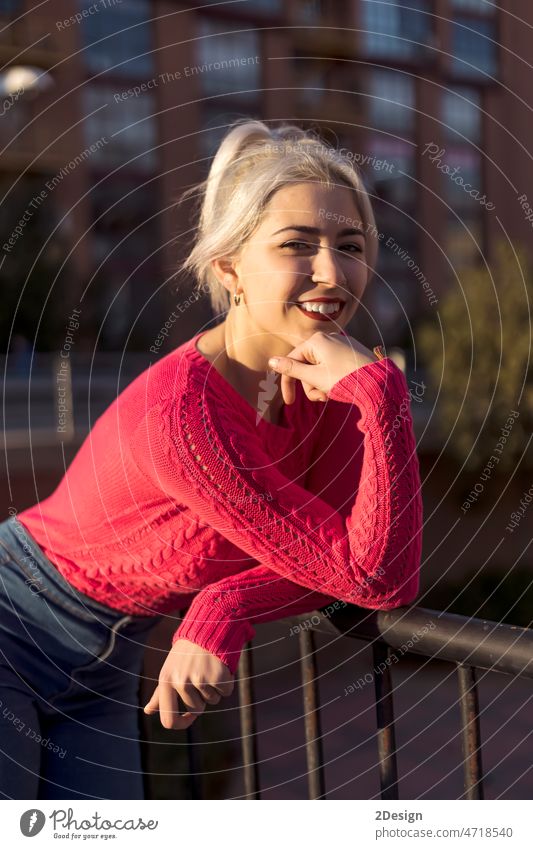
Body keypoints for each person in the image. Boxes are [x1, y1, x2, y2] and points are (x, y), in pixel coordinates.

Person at [0, 119, 423, 800]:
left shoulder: (328, 381)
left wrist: (225, 602)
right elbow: (371, 574)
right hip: (13, 623)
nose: (332, 270)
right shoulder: (186, 415)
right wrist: (381, 392)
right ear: (229, 268)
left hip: (108, 662)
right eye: (296, 245)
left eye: (350, 245)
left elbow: (371, 559)